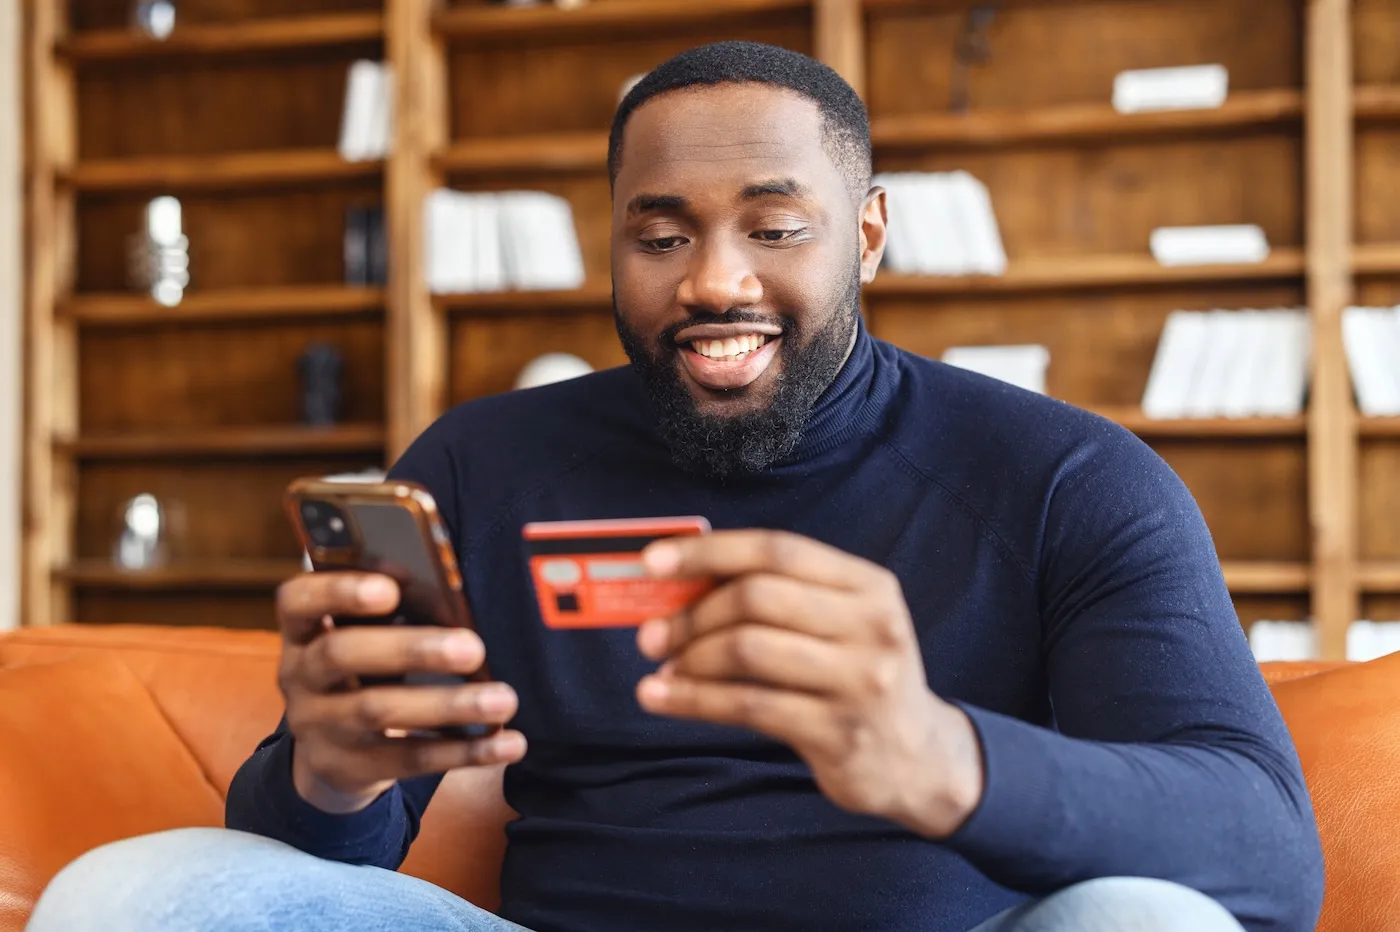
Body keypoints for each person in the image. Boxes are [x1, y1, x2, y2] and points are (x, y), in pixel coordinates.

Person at [27, 41, 1323, 932]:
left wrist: (945, 761)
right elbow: (320, 865)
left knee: (1153, 918)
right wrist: (331, 777)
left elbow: (1266, 857)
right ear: (617, 243)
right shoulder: (483, 465)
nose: (712, 280)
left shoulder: (1071, 479)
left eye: (775, 226)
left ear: (865, 232)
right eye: (662, 234)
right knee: (133, 889)